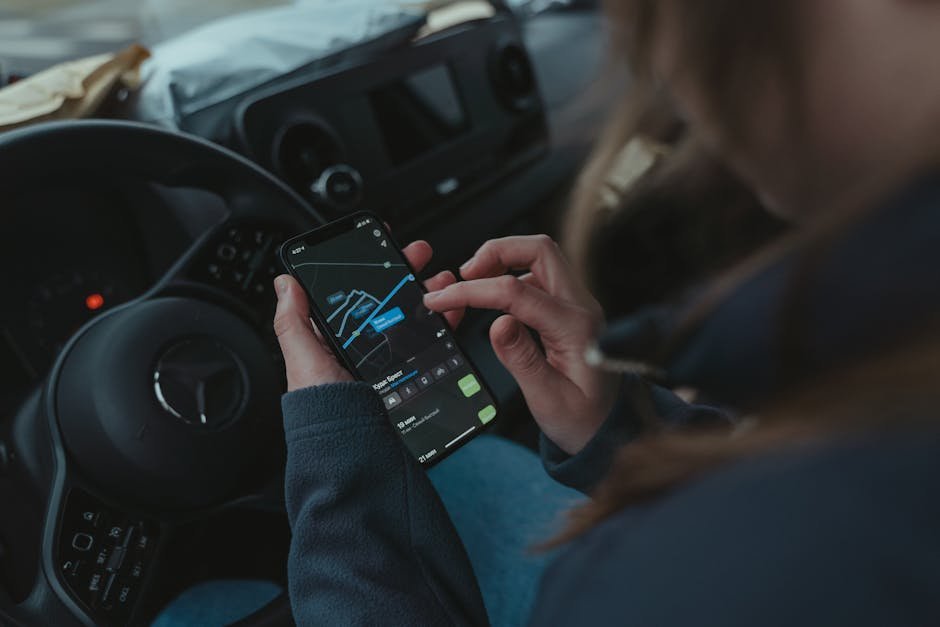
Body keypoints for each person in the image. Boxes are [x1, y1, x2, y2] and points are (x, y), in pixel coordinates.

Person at [164, 0, 940, 624]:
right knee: (460, 464)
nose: (664, 78)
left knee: (197, 604)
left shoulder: (685, 576)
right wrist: (622, 430)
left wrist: (335, 449)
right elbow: (777, 471)